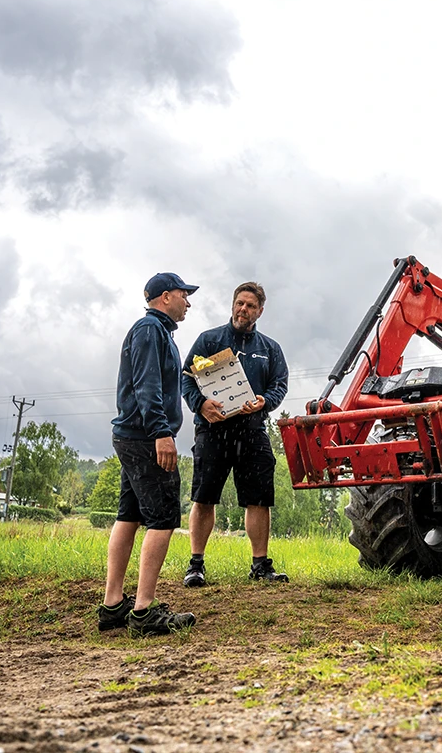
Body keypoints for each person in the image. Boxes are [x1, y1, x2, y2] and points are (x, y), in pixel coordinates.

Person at [98, 272, 199, 637]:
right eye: (184, 295)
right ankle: (144, 611)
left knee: (129, 515)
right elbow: (147, 385)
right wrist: (162, 433)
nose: (188, 302)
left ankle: (113, 606)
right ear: (166, 296)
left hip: (133, 437)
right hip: (145, 438)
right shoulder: (150, 330)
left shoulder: (159, 333)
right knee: (163, 518)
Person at [181, 281, 290, 586]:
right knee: (204, 497)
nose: (244, 309)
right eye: (240, 303)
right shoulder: (209, 340)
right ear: (232, 305)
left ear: (260, 311)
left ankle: (260, 565)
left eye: (251, 306)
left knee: (259, 499)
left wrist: (265, 401)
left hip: (253, 430)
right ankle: (196, 565)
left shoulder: (270, 349)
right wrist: (200, 404)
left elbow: (280, 385)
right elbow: (186, 379)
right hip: (212, 429)